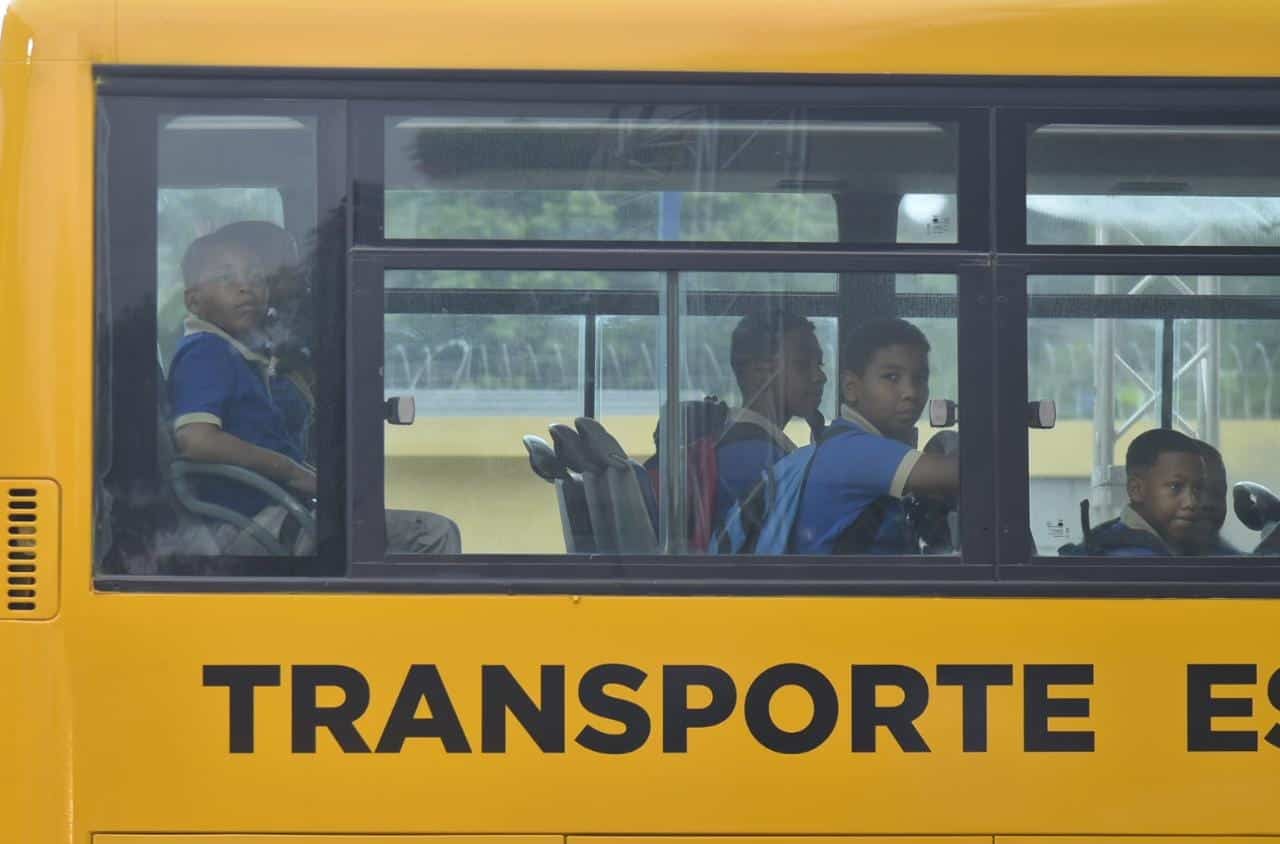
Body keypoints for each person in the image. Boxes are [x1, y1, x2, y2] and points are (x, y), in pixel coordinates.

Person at [169, 224, 461, 555]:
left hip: (270, 513)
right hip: (249, 522)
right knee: (433, 535)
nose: (244, 287)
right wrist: (290, 471)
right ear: (193, 301)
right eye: (226, 278)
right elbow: (196, 440)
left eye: (256, 277)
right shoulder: (206, 351)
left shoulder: (248, 357)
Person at [790, 318, 958, 554]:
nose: (910, 392)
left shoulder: (847, 441)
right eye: (891, 377)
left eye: (919, 379)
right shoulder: (853, 450)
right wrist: (952, 442)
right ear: (851, 387)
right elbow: (966, 474)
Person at [713, 310, 827, 528]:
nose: (820, 376)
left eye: (819, 364)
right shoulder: (763, 458)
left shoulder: (735, 442)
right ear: (759, 373)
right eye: (803, 365)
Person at [1058, 428, 1206, 557]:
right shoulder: (1137, 560)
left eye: (1198, 488)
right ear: (1136, 490)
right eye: (1176, 486)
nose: (1191, 502)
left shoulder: (1107, 535)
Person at [1191, 439, 1239, 555]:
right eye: (1196, 490)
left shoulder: (1233, 561)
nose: (1208, 503)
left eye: (1218, 492)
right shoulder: (1142, 559)